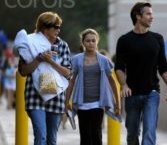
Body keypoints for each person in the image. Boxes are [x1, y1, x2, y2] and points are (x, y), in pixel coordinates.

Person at [115, 1, 167, 145]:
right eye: (148, 14)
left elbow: (163, 66)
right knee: (132, 134)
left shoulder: (157, 39)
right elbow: (119, 67)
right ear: (138, 16)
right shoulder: (124, 41)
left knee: (149, 131)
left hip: (152, 92)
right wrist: (124, 85)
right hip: (131, 94)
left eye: (152, 14)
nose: (151, 17)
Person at [16, 11, 71, 145]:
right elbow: (23, 71)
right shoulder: (30, 42)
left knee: (51, 140)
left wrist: (50, 61)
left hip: (55, 96)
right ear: (44, 27)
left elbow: (68, 73)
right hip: (34, 95)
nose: (58, 30)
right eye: (55, 27)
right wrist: (39, 59)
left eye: (59, 27)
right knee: (41, 136)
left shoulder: (62, 46)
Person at [65, 28, 121, 145]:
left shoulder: (104, 60)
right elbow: (71, 82)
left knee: (96, 135)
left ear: (97, 42)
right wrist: (66, 102)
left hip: (98, 102)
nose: (91, 43)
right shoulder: (76, 59)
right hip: (82, 103)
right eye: (88, 41)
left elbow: (113, 82)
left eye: (93, 41)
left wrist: (118, 103)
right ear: (83, 43)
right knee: (85, 137)